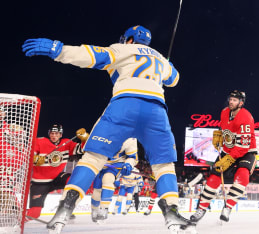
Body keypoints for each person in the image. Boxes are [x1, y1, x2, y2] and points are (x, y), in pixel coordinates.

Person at [22, 25, 194, 233]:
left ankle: (66, 206)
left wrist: (58, 50)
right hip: (156, 110)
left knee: (93, 158)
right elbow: (174, 80)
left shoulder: (123, 49)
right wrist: (169, 65)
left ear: (129, 39)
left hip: (125, 104)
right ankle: (172, 211)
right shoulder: (160, 58)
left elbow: (92, 55)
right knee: (163, 165)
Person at [190, 90, 257, 223]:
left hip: (246, 151)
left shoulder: (246, 117)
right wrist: (220, 136)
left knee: (243, 175)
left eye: (235, 100)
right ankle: (201, 209)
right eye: (231, 99)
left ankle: (228, 207)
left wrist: (230, 159)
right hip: (228, 150)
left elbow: (243, 146)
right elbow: (224, 128)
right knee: (213, 178)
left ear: (241, 103)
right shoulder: (224, 112)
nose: (231, 101)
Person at [25, 124, 88, 222]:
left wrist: (84, 138)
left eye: (57, 133)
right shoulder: (40, 141)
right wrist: (34, 159)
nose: (54, 136)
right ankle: (21, 215)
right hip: (40, 182)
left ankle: (66, 209)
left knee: (73, 181)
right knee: (34, 214)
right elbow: (29, 154)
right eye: (52, 133)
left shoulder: (67, 143)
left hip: (57, 177)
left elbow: (82, 149)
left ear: (61, 134)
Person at [90, 138, 138, 222]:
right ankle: (94, 210)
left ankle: (104, 208)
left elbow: (132, 157)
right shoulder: (104, 129)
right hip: (100, 162)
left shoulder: (130, 136)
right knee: (97, 189)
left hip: (116, 163)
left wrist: (128, 164)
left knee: (108, 178)